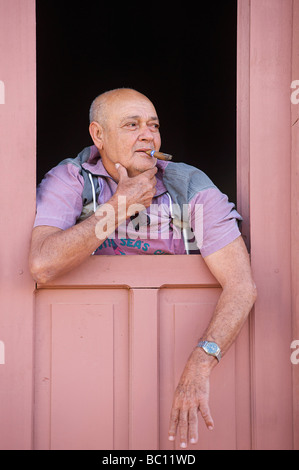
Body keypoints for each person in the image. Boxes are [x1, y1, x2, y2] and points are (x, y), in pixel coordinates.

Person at [29, 88, 257, 448]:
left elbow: (242, 286)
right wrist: (118, 208)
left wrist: (201, 363)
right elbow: (42, 264)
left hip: (174, 365)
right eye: (132, 125)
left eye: (153, 125)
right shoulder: (72, 179)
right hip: (84, 366)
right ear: (98, 135)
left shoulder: (189, 185)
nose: (148, 135)